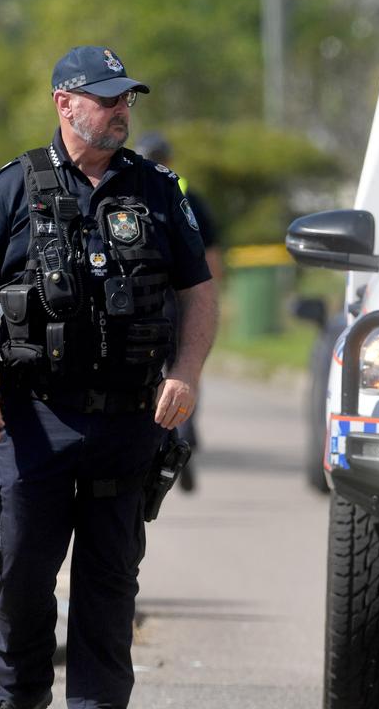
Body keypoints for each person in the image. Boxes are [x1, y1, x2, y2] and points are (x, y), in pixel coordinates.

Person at [0, 46, 217, 709]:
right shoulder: (16, 185)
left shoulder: (155, 189)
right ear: (65, 103)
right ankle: (20, 699)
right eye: (107, 97)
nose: (121, 109)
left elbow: (200, 293)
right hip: (36, 420)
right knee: (21, 581)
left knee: (108, 589)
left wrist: (185, 372)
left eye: (127, 97)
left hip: (127, 423)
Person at [133, 131, 222, 493]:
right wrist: (211, 299)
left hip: (151, 297)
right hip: (185, 297)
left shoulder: (140, 190)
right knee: (184, 370)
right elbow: (211, 256)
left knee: (157, 374)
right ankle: (182, 437)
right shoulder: (189, 195)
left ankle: (169, 440)